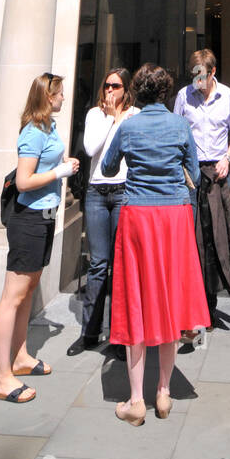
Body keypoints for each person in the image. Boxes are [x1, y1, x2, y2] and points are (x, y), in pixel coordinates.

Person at [100, 63, 209, 426]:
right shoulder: (180, 126)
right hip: (174, 216)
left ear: (136, 92)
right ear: (164, 92)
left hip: (139, 217)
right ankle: (163, 392)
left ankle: (135, 401)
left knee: (136, 301)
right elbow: (194, 173)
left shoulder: (129, 126)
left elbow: (109, 166)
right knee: (169, 301)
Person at [0, 72, 79, 404]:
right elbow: (24, 181)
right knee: (12, 295)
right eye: (58, 93)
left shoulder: (49, 128)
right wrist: (60, 172)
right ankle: (2, 377)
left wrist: (63, 165)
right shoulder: (32, 133)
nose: (63, 98)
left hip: (44, 215)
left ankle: (20, 357)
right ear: (46, 96)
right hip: (28, 218)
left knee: (28, 290)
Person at [66, 67, 138, 356]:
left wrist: (120, 118)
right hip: (97, 192)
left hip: (123, 191)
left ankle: (119, 336)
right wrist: (110, 117)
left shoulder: (134, 115)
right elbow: (90, 147)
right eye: (107, 85)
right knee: (98, 264)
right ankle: (90, 332)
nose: (110, 91)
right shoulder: (96, 115)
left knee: (121, 265)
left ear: (126, 90)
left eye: (116, 86)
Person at [173, 48, 230, 330]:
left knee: (215, 237)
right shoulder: (183, 96)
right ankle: (187, 306)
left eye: (201, 76)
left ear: (213, 72)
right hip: (188, 174)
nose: (197, 83)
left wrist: (227, 158)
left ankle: (209, 306)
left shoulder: (227, 97)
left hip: (216, 172)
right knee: (189, 238)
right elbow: (175, 131)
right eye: (194, 76)